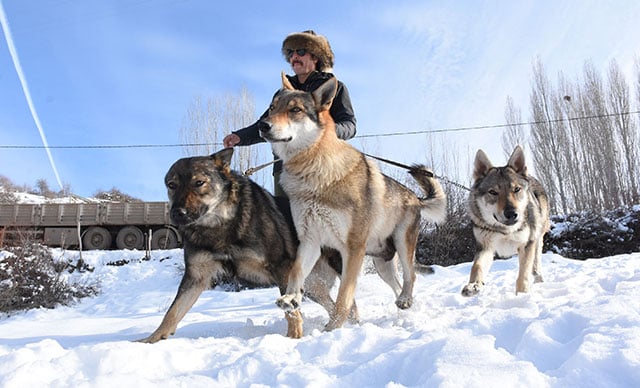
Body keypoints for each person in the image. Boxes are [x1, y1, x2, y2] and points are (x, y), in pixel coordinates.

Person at [223, 30, 357, 197]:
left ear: (315, 57)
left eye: (301, 51)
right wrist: (240, 137)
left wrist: (323, 132)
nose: (294, 56)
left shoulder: (334, 87)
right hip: (284, 167)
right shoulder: (282, 94)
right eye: (291, 53)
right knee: (285, 218)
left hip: (322, 165)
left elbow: (350, 125)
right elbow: (266, 124)